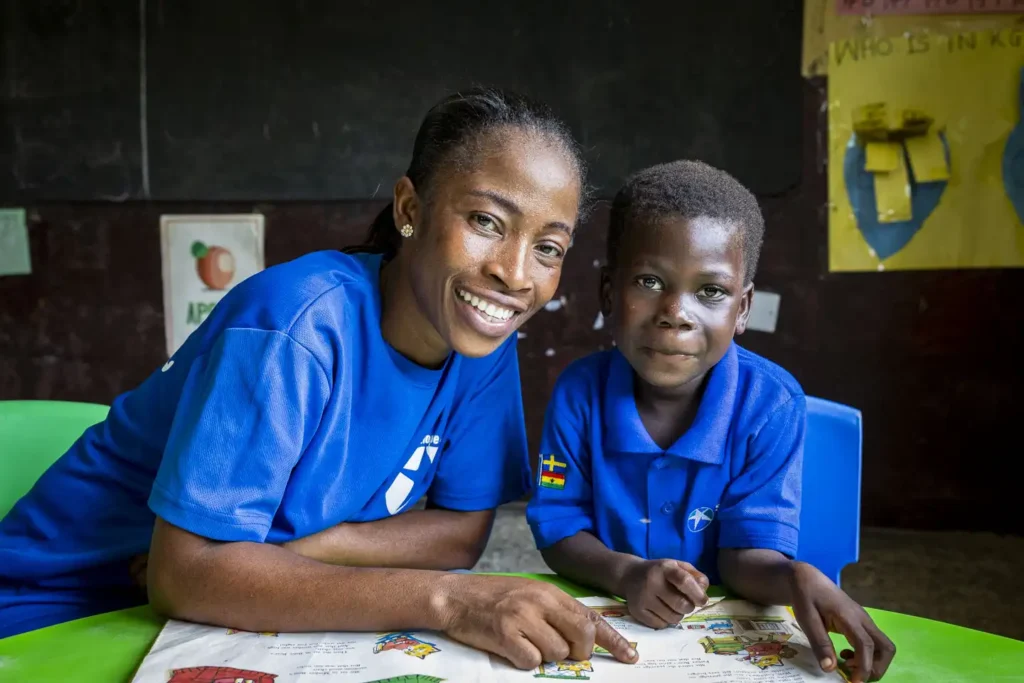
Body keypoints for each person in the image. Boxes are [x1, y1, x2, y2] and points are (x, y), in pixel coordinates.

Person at [0, 87, 638, 671]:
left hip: (216, 609)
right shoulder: (295, 326)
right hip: (60, 610)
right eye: (485, 223)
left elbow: (462, 530)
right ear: (410, 207)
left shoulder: (477, 338)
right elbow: (184, 574)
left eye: (549, 247)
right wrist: (449, 600)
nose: (515, 273)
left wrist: (300, 553)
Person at [525, 160, 896, 682]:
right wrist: (625, 573)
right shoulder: (579, 393)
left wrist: (795, 577)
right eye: (650, 281)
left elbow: (745, 554)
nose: (676, 311)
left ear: (742, 309)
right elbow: (558, 529)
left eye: (711, 292)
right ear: (609, 293)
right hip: (612, 634)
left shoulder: (771, 405)